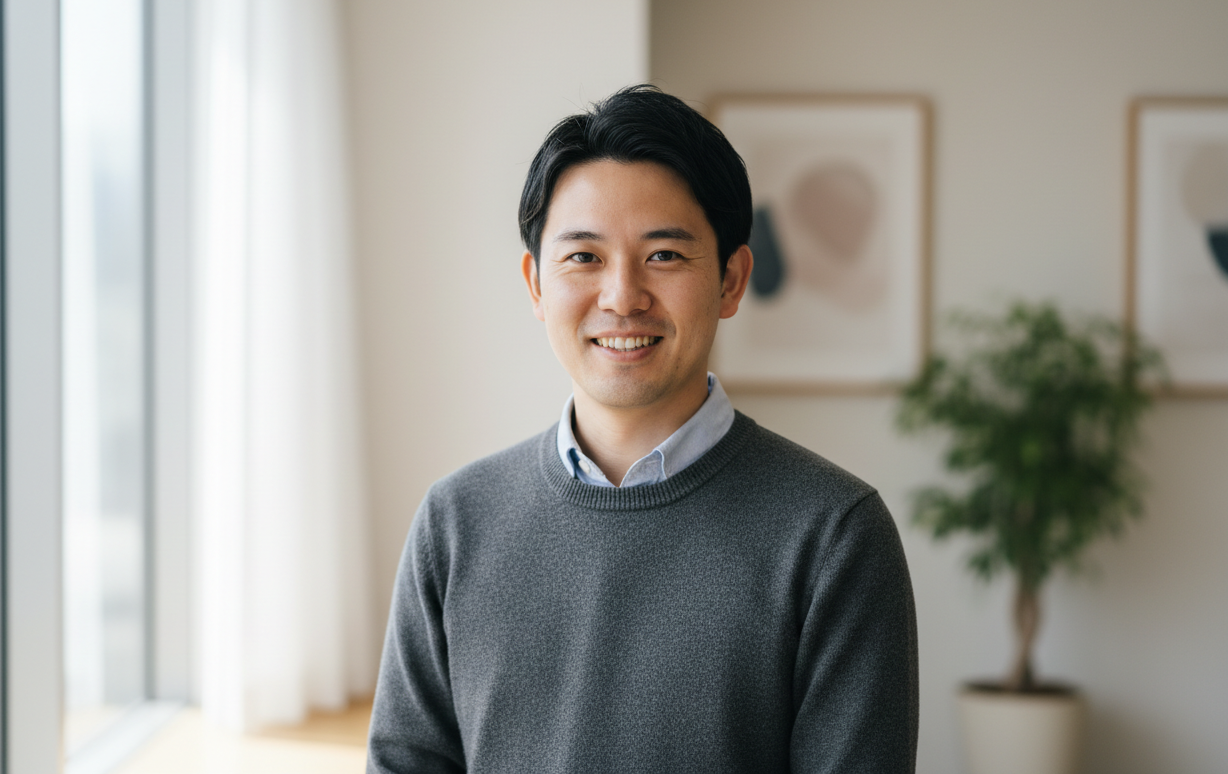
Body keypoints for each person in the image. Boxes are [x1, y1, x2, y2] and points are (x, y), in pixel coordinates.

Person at [366, 85, 918, 773]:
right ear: (536, 285)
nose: (622, 297)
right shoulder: (455, 522)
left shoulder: (834, 533)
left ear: (731, 280)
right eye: (583, 257)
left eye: (664, 255)